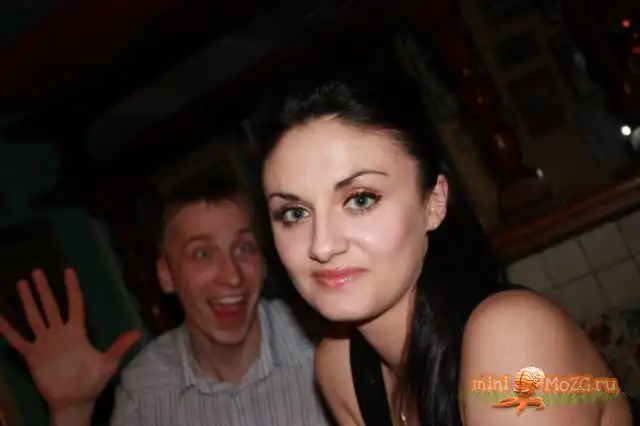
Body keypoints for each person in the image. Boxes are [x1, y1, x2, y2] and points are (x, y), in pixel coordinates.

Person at [247, 42, 633, 425]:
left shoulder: (513, 336)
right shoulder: (340, 371)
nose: (323, 245)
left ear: (434, 202)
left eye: (360, 200)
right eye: (294, 212)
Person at [0, 172, 331, 426]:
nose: (232, 276)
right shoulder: (144, 392)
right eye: (202, 253)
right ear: (166, 275)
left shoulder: (324, 344)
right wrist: (71, 411)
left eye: (244, 248)